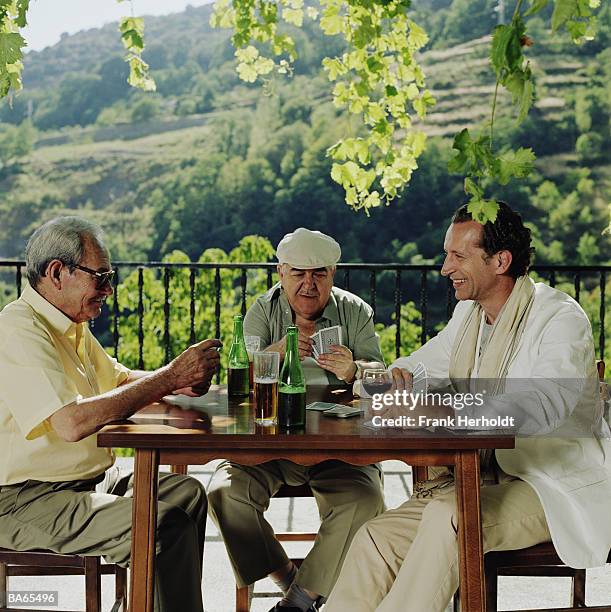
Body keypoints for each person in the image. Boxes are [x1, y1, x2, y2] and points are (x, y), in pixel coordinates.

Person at [323, 202, 611, 612]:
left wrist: (444, 412)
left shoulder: (560, 318)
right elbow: (418, 367)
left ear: (500, 260)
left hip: (552, 485)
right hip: (481, 481)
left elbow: (542, 403)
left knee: (447, 515)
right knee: (376, 537)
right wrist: (382, 382)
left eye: (458, 256)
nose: (444, 268)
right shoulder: (469, 317)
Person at [0, 217, 221, 612]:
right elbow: (71, 422)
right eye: (100, 277)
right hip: (23, 499)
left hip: (86, 483)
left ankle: (147, 603)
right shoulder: (18, 330)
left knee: (186, 494)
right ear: (56, 273)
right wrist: (170, 376)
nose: (109, 289)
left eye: (110, 276)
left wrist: (179, 382)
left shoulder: (70, 325)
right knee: (164, 525)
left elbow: (118, 380)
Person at [208, 228, 386, 612]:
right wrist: (272, 354)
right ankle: (288, 576)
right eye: (298, 274)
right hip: (269, 448)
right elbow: (239, 378)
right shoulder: (261, 310)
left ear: (332, 274)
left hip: (340, 451)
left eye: (319, 274)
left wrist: (354, 368)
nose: (308, 284)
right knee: (224, 492)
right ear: (281, 273)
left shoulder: (355, 311)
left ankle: (300, 601)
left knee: (365, 497)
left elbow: (382, 378)